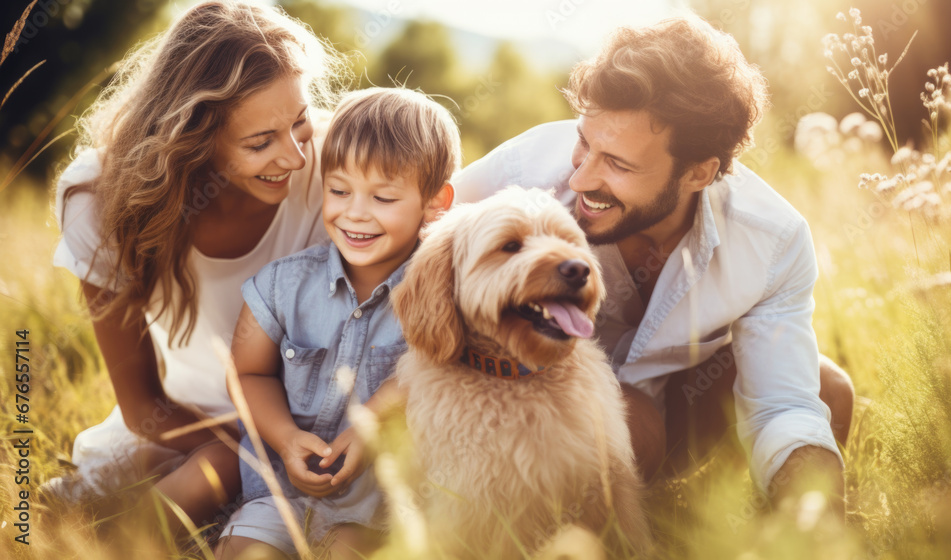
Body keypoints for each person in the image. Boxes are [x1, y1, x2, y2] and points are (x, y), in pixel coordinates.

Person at [453, 15, 855, 511]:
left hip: (678, 406)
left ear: (698, 173)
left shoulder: (773, 240)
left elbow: (783, 406)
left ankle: (723, 517)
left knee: (827, 390)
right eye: (584, 142)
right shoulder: (521, 172)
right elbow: (411, 253)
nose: (580, 179)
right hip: (523, 394)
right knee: (632, 425)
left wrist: (818, 524)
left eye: (618, 165)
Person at [48, 0, 349, 530]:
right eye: (260, 143)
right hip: (181, 429)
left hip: (312, 433)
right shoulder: (100, 198)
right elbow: (142, 404)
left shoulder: (336, 168)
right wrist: (253, 456)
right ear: (192, 139)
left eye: (300, 122)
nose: (296, 159)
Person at [215, 87, 459, 559]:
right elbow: (246, 373)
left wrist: (370, 422)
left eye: (384, 197)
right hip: (279, 492)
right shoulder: (283, 285)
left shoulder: (444, 295)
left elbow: (442, 370)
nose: (355, 213)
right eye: (339, 190)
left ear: (435, 203)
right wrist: (286, 440)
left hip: (375, 506)